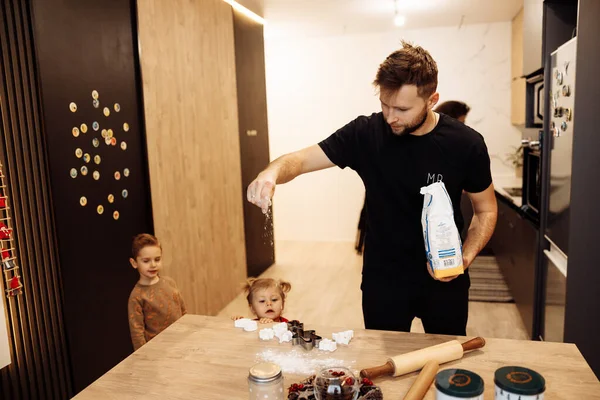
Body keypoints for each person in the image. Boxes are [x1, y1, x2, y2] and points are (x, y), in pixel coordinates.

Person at [247, 41, 497, 336]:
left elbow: (486, 210)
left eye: (402, 108)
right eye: (384, 104)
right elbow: (300, 160)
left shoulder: (465, 143)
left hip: (446, 275)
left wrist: (465, 258)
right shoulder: (364, 133)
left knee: (446, 364)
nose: (390, 116)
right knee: (387, 369)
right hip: (384, 279)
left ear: (432, 100)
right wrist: (271, 171)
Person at [127, 233, 187, 350]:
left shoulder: (170, 282)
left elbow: (183, 310)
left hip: (181, 342)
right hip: (158, 349)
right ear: (134, 263)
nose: (153, 265)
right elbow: (137, 333)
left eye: (157, 259)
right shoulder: (137, 296)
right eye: (146, 261)